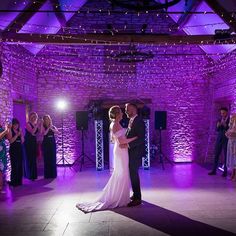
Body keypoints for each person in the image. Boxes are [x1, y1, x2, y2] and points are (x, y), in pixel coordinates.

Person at [76, 105, 137, 213]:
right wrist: (135, 138)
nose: (123, 114)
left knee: (120, 173)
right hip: (121, 151)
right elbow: (122, 141)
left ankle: (120, 196)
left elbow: (118, 140)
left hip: (120, 150)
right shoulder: (116, 124)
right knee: (122, 174)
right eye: (121, 112)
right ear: (117, 114)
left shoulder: (114, 124)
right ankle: (120, 198)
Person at [122, 103, 145, 207]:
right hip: (132, 152)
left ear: (133, 109)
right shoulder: (131, 120)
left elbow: (141, 138)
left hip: (136, 152)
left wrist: (128, 145)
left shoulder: (139, 121)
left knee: (134, 174)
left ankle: (138, 198)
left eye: (127, 109)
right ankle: (135, 194)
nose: (125, 111)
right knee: (132, 174)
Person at [209, 107, 229, 177]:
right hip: (219, 139)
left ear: (227, 112)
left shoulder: (230, 120)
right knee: (216, 155)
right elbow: (217, 130)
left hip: (226, 140)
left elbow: (230, 129)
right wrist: (218, 126)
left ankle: (225, 172)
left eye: (223, 113)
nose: (222, 114)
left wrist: (225, 125)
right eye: (221, 113)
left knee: (226, 156)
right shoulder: (219, 119)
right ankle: (214, 170)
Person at [7, 118, 24, 187]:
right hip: (13, 150)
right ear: (12, 125)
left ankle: (19, 181)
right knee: (14, 166)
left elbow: (22, 141)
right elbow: (10, 141)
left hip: (19, 149)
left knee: (20, 165)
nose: (16, 126)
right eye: (15, 124)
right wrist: (17, 135)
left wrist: (21, 134)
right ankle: (14, 182)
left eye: (17, 124)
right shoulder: (10, 131)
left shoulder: (19, 131)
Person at [24, 112, 40, 180]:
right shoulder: (28, 124)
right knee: (30, 158)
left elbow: (39, 132)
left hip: (33, 141)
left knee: (34, 158)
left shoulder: (35, 124)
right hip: (28, 142)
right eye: (33, 117)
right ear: (30, 117)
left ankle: (34, 175)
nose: (34, 118)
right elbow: (32, 132)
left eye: (35, 117)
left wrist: (40, 124)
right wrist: (37, 125)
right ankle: (30, 175)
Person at [0, 121, 10, 192]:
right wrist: (6, 130)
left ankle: (0, 188)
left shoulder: (1, 127)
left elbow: (8, 137)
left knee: (1, 171)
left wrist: (8, 129)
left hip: (2, 152)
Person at [226, 114, 236, 180]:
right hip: (230, 141)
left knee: (235, 156)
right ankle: (233, 173)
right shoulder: (233, 116)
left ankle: (235, 175)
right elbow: (229, 128)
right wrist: (227, 133)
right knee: (231, 156)